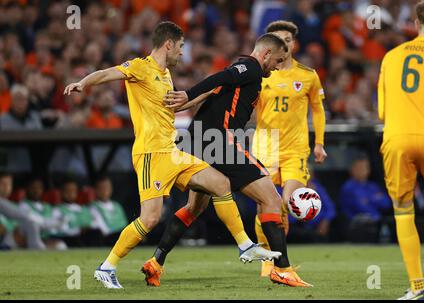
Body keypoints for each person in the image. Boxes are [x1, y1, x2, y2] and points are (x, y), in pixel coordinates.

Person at [64, 21, 279, 289]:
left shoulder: (165, 75)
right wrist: (82, 83)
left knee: (221, 183)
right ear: (169, 44)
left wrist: (203, 95)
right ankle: (107, 266)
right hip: (151, 154)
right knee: (150, 218)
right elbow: (107, 74)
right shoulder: (140, 67)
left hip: (172, 151)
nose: (182, 53)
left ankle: (245, 245)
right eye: (180, 47)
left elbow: (173, 107)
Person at [147, 32, 311, 287]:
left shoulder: (241, 68)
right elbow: (219, 78)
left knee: (194, 208)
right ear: (266, 53)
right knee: (271, 199)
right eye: (277, 60)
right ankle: (283, 269)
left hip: (198, 141)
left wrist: (189, 100)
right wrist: (188, 95)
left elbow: (217, 85)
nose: (277, 67)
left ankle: (155, 263)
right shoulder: (252, 67)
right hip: (219, 141)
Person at [377, 0, 424, 300]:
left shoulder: (391, 57)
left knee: (403, 210)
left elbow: (381, 111)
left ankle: (417, 289)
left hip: (396, 138)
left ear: (416, 24)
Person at [250, 20, 327, 277]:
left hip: (296, 149)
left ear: (293, 43)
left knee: (285, 202)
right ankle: (268, 259)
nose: (285, 44)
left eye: (288, 40)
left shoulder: (307, 75)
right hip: (265, 146)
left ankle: (278, 259)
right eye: (279, 40)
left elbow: (318, 109)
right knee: (266, 204)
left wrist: (319, 143)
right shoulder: (260, 75)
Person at [339, 154, 391, 243]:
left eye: (365, 167)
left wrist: (369, 200)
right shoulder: (348, 187)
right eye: (359, 168)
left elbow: (387, 204)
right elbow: (361, 206)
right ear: (352, 170)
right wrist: (376, 199)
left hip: (377, 223)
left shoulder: (373, 186)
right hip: (357, 225)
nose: (363, 170)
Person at [0, 172, 45, 250]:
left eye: (9, 184)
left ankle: (38, 252)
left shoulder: (14, 206)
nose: (6, 187)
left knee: (30, 224)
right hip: (5, 240)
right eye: (3, 184)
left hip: (11, 242)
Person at [19, 177, 67, 250]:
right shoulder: (23, 205)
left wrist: (58, 222)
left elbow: (61, 222)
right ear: (27, 189)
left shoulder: (47, 206)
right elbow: (37, 223)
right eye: (33, 187)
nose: (36, 190)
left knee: (61, 245)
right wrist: (56, 223)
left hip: (47, 237)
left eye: (39, 188)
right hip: (29, 240)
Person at [89, 176, 129, 245]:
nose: (105, 191)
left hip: (121, 236)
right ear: (95, 190)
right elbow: (103, 230)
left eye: (107, 188)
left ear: (111, 189)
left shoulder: (117, 206)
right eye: (101, 188)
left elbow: (124, 225)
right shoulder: (93, 207)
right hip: (107, 239)